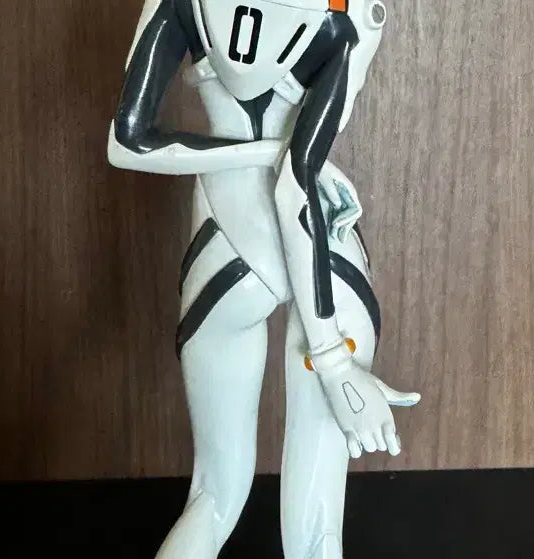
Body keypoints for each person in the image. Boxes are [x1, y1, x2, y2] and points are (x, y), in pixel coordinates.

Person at [108, 1, 420, 557]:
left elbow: (128, 142)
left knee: (213, 496)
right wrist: (332, 361)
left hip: (224, 243)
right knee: (318, 524)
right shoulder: (345, 17)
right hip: (325, 256)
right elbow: (297, 183)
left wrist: (256, 154)